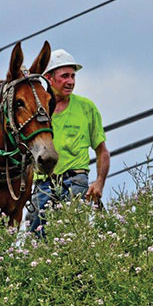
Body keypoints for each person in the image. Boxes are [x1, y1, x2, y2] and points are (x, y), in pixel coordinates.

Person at [28, 48, 110, 236]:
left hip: (75, 181)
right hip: (43, 184)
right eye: (65, 76)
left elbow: (102, 151)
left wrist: (99, 182)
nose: (71, 81)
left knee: (73, 237)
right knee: (36, 241)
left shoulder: (86, 107)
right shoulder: (37, 111)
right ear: (49, 78)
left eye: (73, 76)